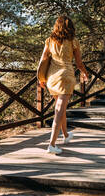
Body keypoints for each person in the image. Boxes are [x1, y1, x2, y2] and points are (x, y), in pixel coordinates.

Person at [38, 15, 89, 154]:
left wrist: (40, 77)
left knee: (61, 109)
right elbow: (79, 63)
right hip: (66, 77)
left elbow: (43, 60)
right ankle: (52, 144)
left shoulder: (49, 41)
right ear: (70, 27)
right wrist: (85, 72)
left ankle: (66, 136)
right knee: (59, 111)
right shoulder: (74, 41)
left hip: (52, 78)